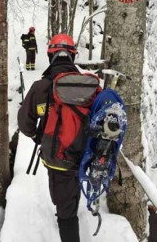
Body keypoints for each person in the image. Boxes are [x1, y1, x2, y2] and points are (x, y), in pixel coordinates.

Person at [17, 34, 101, 242]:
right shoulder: (89, 86)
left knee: (64, 208)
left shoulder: (40, 88)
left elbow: (24, 124)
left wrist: (39, 136)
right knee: (73, 184)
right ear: (72, 56)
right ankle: (70, 206)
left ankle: (68, 224)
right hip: (85, 154)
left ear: (50, 55)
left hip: (57, 158)